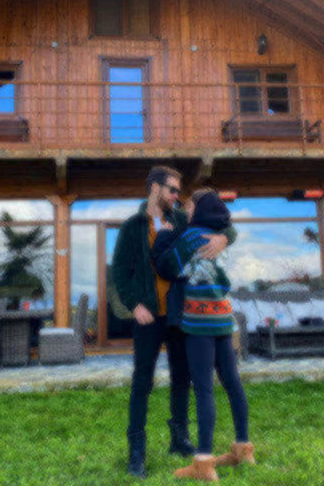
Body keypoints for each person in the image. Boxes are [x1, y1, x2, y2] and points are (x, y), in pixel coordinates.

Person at [112, 166, 237, 478]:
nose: (177, 196)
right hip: (148, 317)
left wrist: (223, 239)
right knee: (142, 382)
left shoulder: (183, 220)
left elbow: (226, 226)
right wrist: (134, 304)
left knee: (183, 378)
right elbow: (120, 274)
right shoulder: (132, 227)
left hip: (182, 315)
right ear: (155, 188)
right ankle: (136, 451)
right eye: (172, 190)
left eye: (179, 192)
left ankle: (179, 438)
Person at [151, 188, 255, 482]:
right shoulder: (221, 237)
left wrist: (164, 235)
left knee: (204, 389)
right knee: (233, 382)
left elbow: (167, 267)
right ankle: (244, 449)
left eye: (190, 206)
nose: (187, 210)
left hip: (199, 322)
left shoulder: (191, 237)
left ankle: (203, 462)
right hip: (223, 318)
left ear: (199, 208)